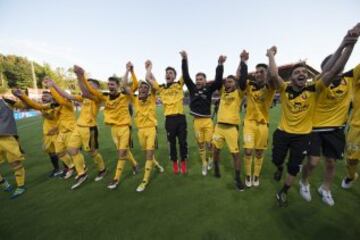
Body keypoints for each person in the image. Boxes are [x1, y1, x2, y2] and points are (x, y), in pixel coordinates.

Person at [267, 38, 355, 206]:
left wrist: (347, 44)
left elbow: (335, 68)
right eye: (297, 72)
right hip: (283, 133)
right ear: (291, 78)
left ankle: (283, 191)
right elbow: (273, 74)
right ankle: (279, 167)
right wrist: (270, 55)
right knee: (277, 160)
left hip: (302, 136)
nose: (302, 74)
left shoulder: (315, 89)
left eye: (304, 72)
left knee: (294, 167)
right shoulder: (284, 89)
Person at [299, 26, 359, 206]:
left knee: (331, 163)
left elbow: (343, 64)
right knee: (313, 162)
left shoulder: (350, 78)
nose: (335, 68)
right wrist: (346, 44)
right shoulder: (319, 81)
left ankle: (325, 189)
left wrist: (352, 39)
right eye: (330, 66)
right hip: (315, 129)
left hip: (336, 130)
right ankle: (304, 182)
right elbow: (334, 67)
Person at [76, 65, 138, 190]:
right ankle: (135, 165)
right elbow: (90, 90)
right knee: (124, 150)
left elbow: (135, 85)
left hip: (125, 128)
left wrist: (130, 71)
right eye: (109, 84)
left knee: (121, 153)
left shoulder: (124, 96)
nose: (110, 86)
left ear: (118, 85)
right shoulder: (104, 97)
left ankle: (116, 179)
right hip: (113, 129)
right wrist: (82, 76)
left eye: (112, 84)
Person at [46, 75, 107, 190]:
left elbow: (86, 91)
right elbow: (67, 95)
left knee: (92, 152)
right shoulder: (83, 98)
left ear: (96, 88)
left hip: (89, 128)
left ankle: (102, 169)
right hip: (78, 127)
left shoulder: (98, 97)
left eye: (90, 85)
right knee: (71, 150)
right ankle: (82, 174)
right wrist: (53, 85)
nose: (87, 86)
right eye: (86, 84)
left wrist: (80, 77)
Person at [180, 50, 223, 175]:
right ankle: (204, 163)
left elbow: (218, 81)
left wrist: (220, 64)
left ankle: (210, 158)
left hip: (208, 121)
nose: (198, 81)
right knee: (200, 144)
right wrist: (184, 59)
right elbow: (186, 76)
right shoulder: (192, 88)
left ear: (205, 80)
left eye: (200, 79)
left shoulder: (209, 89)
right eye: (197, 79)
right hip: (197, 122)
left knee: (209, 144)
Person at [236, 50, 276, 187]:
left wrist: (271, 56)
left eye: (261, 72)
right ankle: (248, 174)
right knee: (248, 150)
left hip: (263, 124)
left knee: (259, 152)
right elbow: (239, 78)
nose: (258, 74)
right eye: (256, 71)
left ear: (266, 74)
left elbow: (274, 75)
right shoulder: (249, 85)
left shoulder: (270, 87)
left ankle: (256, 175)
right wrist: (243, 61)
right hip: (249, 123)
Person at [145, 62, 188, 175]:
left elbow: (185, 72)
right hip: (169, 120)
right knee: (172, 143)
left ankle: (183, 161)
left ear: (174, 76)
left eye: (171, 73)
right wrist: (149, 68)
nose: (168, 74)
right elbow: (147, 78)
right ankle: (175, 162)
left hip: (180, 119)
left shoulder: (179, 84)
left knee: (183, 142)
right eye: (167, 73)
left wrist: (184, 59)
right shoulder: (161, 88)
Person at [211, 55, 246, 191]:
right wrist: (220, 64)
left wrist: (243, 62)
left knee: (235, 154)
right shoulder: (222, 92)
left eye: (230, 81)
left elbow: (242, 79)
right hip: (219, 127)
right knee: (216, 150)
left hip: (232, 129)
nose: (227, 83)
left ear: (235, 84)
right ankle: (216, 167)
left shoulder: (239, 93)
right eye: (227, 82)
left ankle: (237, 178)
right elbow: (218, 78)